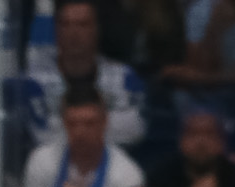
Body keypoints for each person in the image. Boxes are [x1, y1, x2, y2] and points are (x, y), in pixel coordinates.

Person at [23, 0, 148, 151]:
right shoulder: (34, 79)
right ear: (56, 29)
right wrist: (103, 124)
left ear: (97, 29)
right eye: (66, 24)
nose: (74, 33)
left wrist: (68, 127)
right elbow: (43, 134)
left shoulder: (124, 76)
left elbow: (135, 130)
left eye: (82, 24)